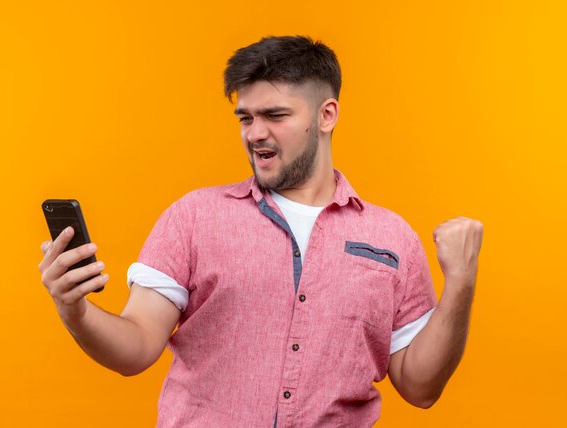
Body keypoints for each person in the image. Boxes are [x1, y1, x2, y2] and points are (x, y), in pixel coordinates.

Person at [39, 36, 483, 427]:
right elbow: (134, 349)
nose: (255, 134)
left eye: (274, 115)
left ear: (326, 115)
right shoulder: (193, 218)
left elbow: (420, 388)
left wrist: (460, 283)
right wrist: (74, 310)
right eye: (245, 118)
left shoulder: (392, 239)